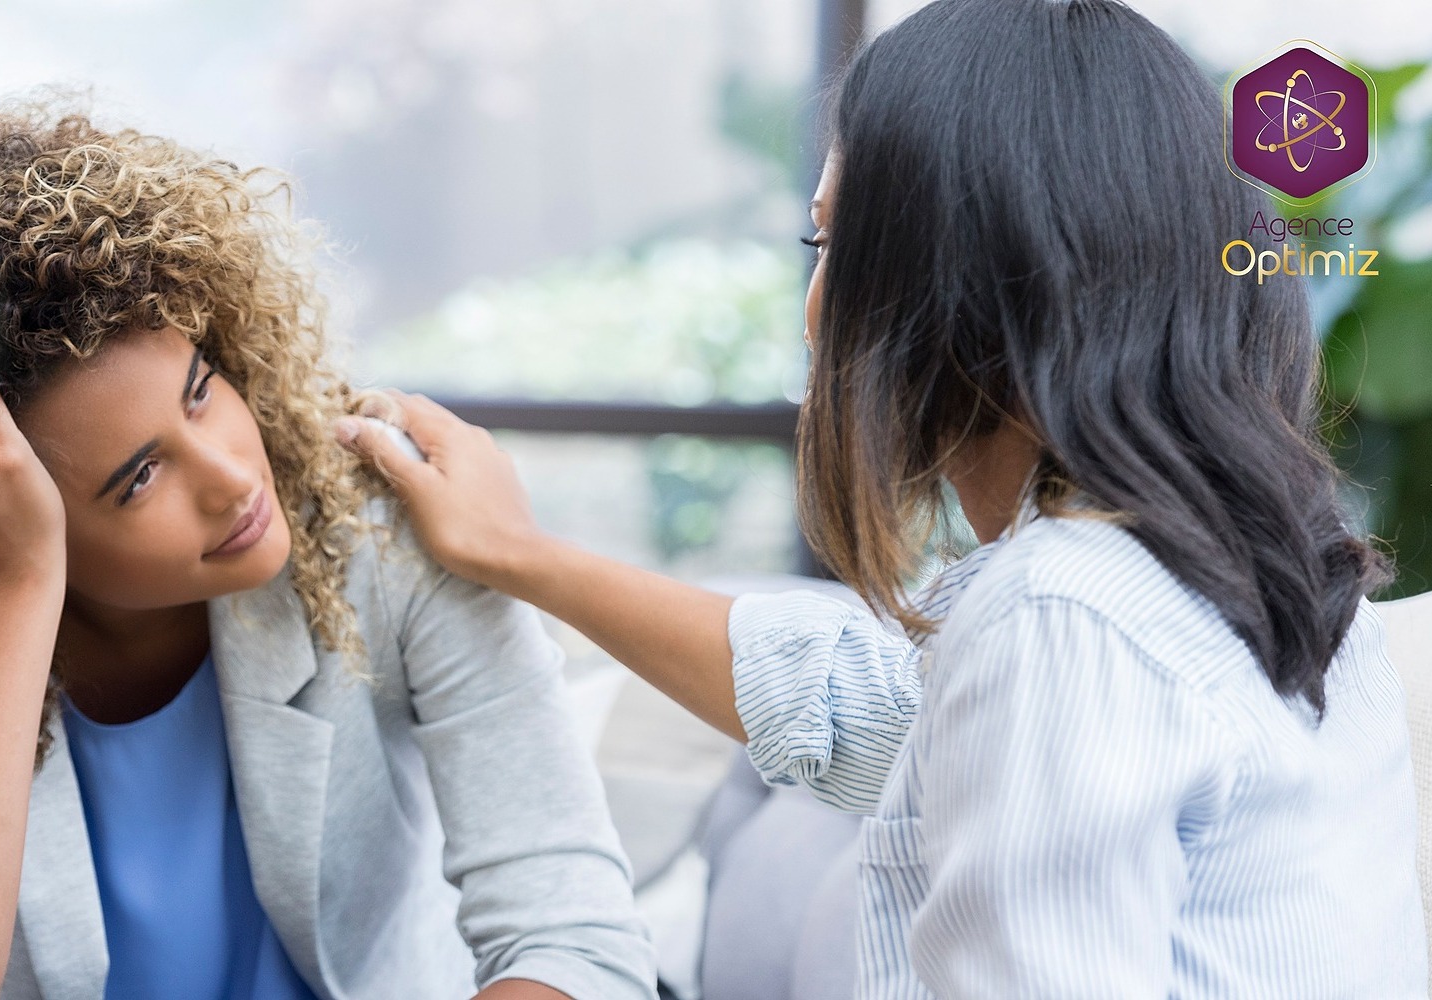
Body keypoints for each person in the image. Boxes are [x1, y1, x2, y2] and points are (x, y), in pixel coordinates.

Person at [336, 0, 1429, 995]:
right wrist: (520, 554)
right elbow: (870, 708)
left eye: (833, 244)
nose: (816, 312)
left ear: (966, 273)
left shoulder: (1062, 615)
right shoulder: (1265, 579)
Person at [0, 90, 654, 1000]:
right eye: (139, 477)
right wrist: (12, 583)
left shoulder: (380, 536)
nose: (235, 477)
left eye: (202, 388)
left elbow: (577, 945)